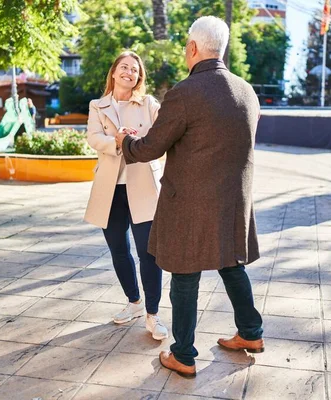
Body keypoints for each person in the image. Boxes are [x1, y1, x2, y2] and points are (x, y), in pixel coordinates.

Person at [115, 16, 263, 378]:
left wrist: (125, 143)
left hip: (191, 202)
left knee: (184, 275)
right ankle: (251, 334)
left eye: (186, 46)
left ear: (193, 48)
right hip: (232, 202)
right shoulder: (247, 91)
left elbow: (151, 147)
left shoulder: (186, 92)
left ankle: (182, 354)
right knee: (231, 266)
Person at [84, 51, 168, 341]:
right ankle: (134, 302)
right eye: (124, 67)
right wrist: (118, 141)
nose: (129, 72)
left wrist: (134, 142)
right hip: (110, 189)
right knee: (118, 249)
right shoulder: (98, 105)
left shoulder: (149, 105)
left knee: (149, 253)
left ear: (139, 77)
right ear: (114, 72)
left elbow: (163, 137)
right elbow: (94, 138)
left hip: (143, 185)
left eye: (134, 69)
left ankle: (153, 315)